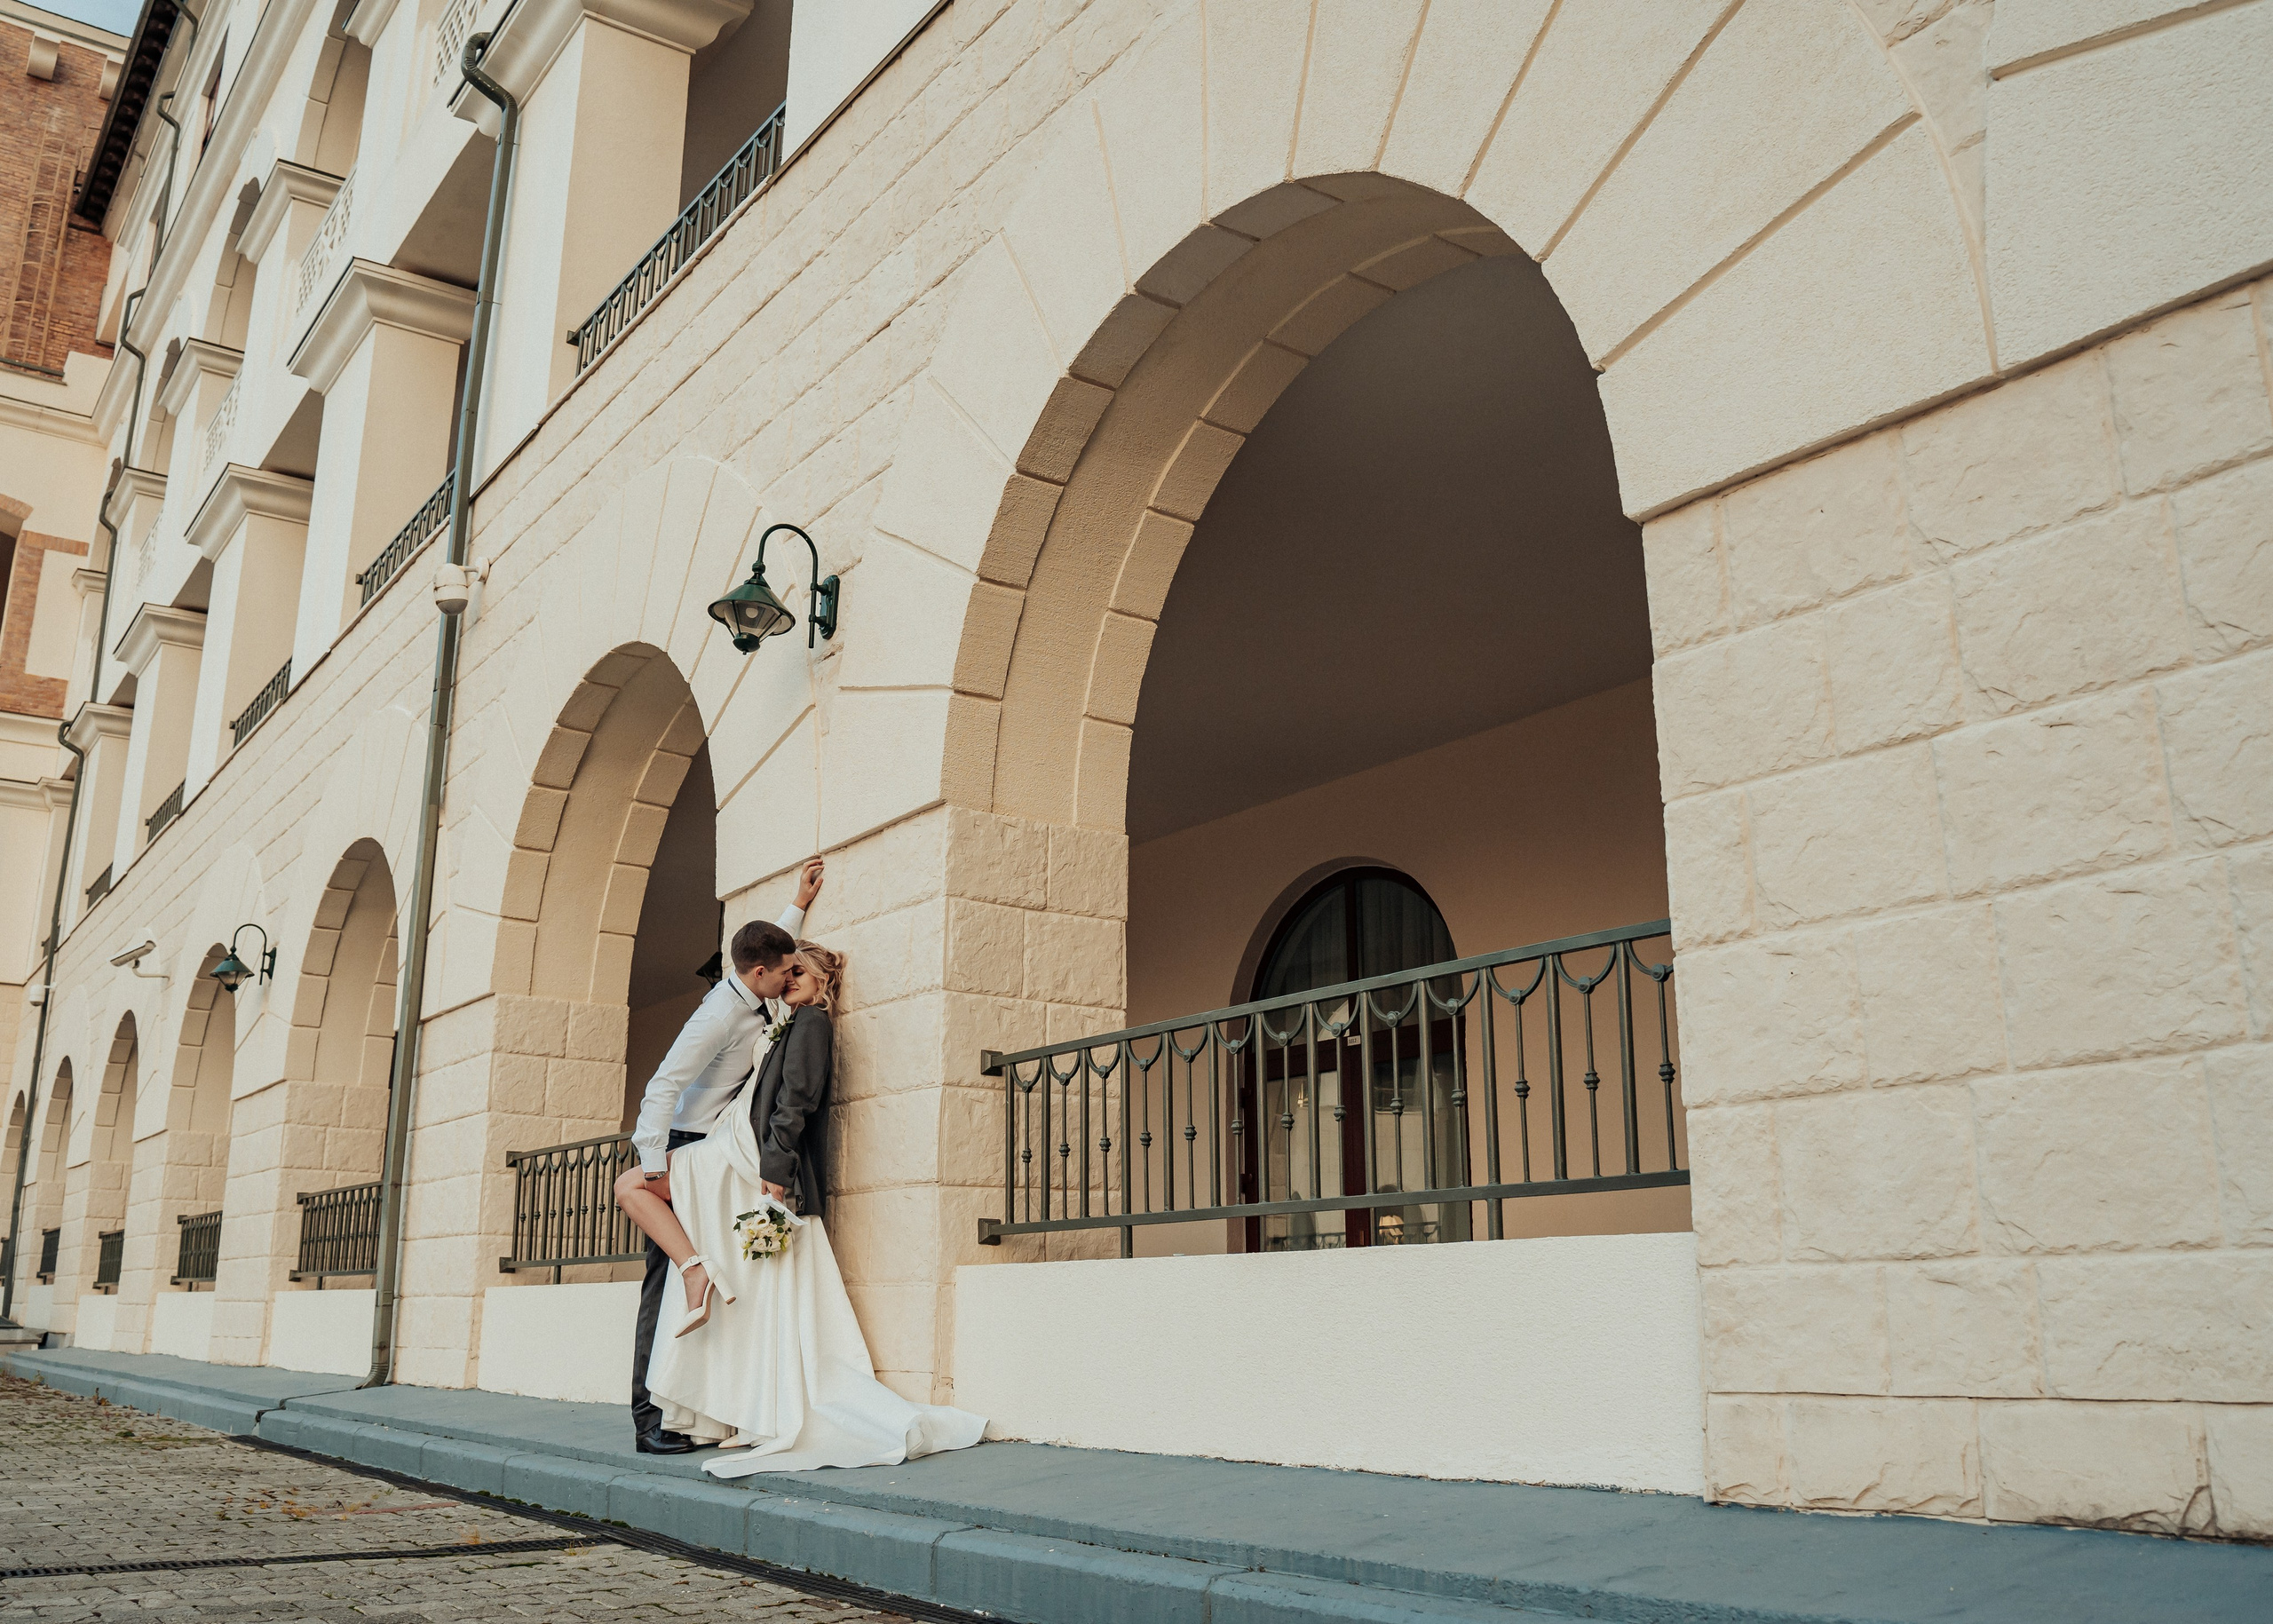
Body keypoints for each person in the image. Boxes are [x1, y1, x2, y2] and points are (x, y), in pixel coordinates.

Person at [617, 942, 987, 1477]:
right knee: (755, 1292)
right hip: (735, 1147)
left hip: (744, 1156)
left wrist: (775, 1171)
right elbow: (757, 953)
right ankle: (745, 1399)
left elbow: (798, 1101)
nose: (791, 979)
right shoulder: (783, 1017)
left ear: (823, 983)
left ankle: (695, 1270)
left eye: (802, 972)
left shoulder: (811, 1023)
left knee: (633, 1185)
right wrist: (793, 907)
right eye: (787, 971)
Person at [620, 859, 822, 1455]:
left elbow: (770, 951)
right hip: (684, 1144)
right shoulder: (716, 1015)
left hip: (717, 1149)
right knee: (664, 1279)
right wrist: (655, 1160)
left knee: (712, 1273)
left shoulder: (757, 985)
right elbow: (661, 1085)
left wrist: (798, 905)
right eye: (784, 971)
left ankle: (700, 1406)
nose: (791, 978)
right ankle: (648, 1418)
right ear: (758, 972)